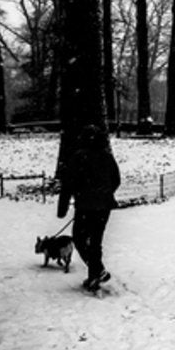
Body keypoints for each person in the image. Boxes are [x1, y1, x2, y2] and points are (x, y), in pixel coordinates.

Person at [57, 124, 121, 293]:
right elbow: (116, 180)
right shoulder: (107, 157)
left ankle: (97, 271)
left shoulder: (78, 157)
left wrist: (62, 208)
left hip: (85, 206)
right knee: (95, 241)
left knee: (79, 238)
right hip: (103, 206)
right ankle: (95, 274)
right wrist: (105, 193)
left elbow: (68, 184)